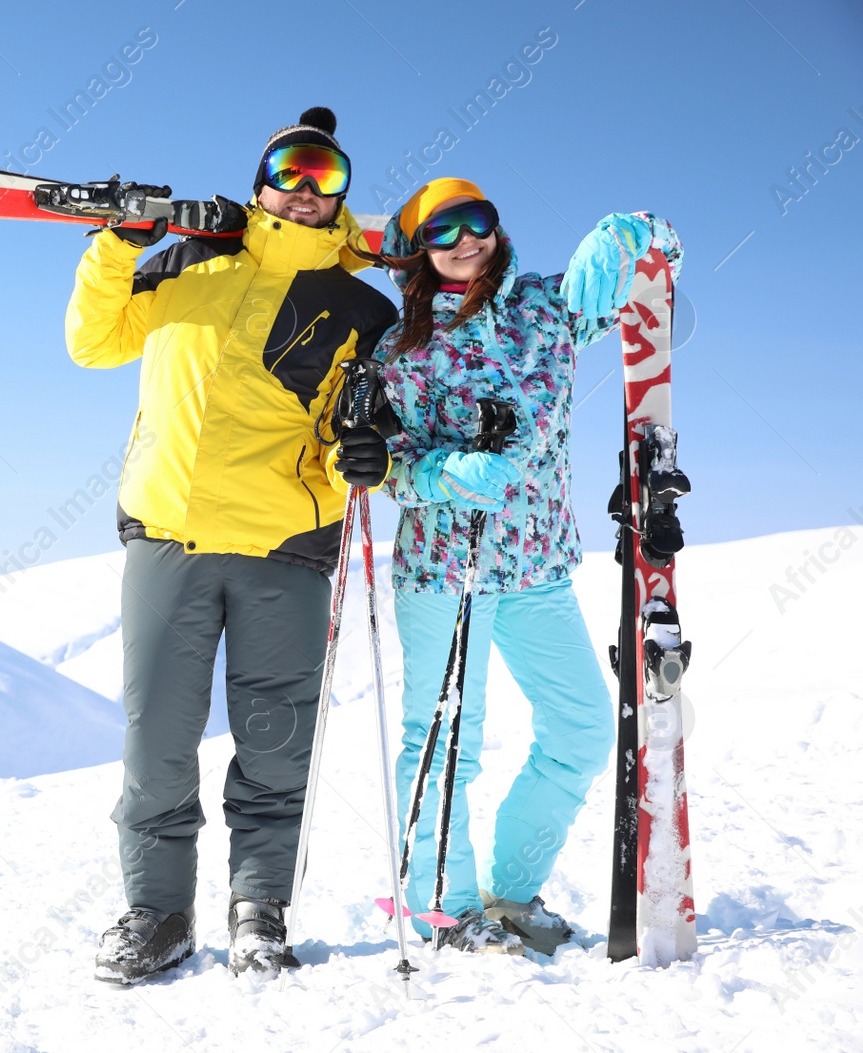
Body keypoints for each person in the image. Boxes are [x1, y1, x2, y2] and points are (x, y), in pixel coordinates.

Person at [65, 108, 399, 983]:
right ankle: (158, 913)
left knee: (275, 742)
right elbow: (93, 342)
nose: (305, 187)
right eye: (290, 168)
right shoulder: (187, 258)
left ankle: (260, 910)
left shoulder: (364, 307)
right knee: (158, 742)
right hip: (168, 535)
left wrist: (362, 453)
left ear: (341, 198)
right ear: (260, 180)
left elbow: (346, 428)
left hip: (285, 546)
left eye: (327, 177)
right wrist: (114, 245)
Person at [339, 178, 681, 954]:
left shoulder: (545, 311)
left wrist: (633, 232)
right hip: (442, 570)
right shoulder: (402, 348)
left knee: (583, 727)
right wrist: (450, 471)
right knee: (443, 740)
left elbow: (645, 270)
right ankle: (443, 906)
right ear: (419, 249)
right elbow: (382, 467)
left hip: (535, 566)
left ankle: (511, 890)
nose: (465, 240)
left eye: (478, 221)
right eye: (443, 230)